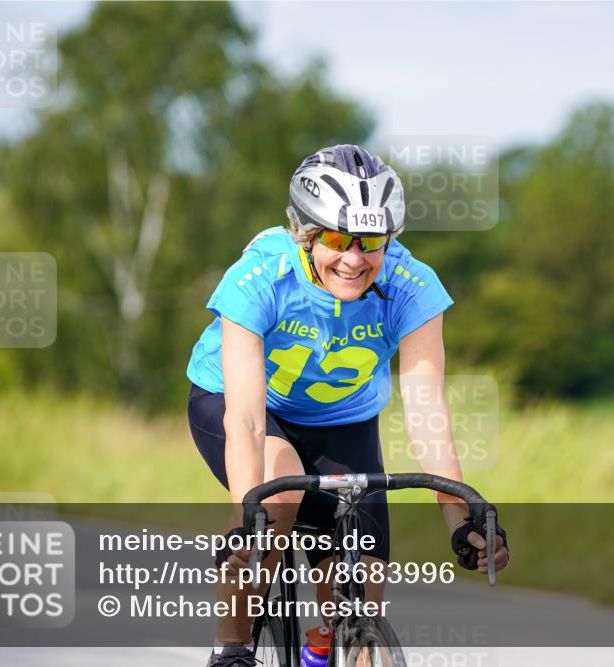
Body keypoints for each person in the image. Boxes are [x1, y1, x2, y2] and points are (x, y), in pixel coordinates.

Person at [186, 144, 509, 667]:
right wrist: (250, 512)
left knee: (356, 598)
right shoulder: (259, 278)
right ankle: (233, 648)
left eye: (371, 241)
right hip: (243, 404)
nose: (355, 259)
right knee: (278, 496)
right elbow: (244, 418)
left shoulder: (412, 286)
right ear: (305, 233)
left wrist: (458, 514)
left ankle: (333, 647)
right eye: (337, 239)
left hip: (344, 422)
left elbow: (425, 406)